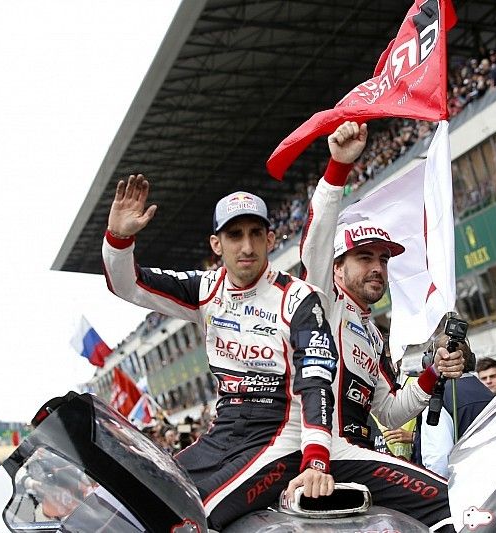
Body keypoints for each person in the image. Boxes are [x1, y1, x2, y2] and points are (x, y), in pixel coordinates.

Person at [103, 176, 340, 529]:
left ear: (270, 239)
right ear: (217, 244)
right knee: (147, 496)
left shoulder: (298, 297)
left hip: (278, 436)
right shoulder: (204, 289)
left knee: (195, 516)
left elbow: (317, 379)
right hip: (222, 433)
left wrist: (316, 458)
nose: (247, 246)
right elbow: (127, 285)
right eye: (234, 235)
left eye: (255, 233)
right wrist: (119, 240)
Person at [299, 121, 463, 529]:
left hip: (358, 452)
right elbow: (316, 240)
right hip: (320, 454)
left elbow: (389, 413)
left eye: (384, 260)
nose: (378, 268)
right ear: (337, 268)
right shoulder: (322, 303)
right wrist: (338, 168)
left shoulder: (373, 335)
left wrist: (433, 373)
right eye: (365, 258)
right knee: (448, 501)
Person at [419, 336, 494, 478]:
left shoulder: (438, 398)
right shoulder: (489, 393)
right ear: (471, 359)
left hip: (461, 490)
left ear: (430, 361)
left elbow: (439, 461)